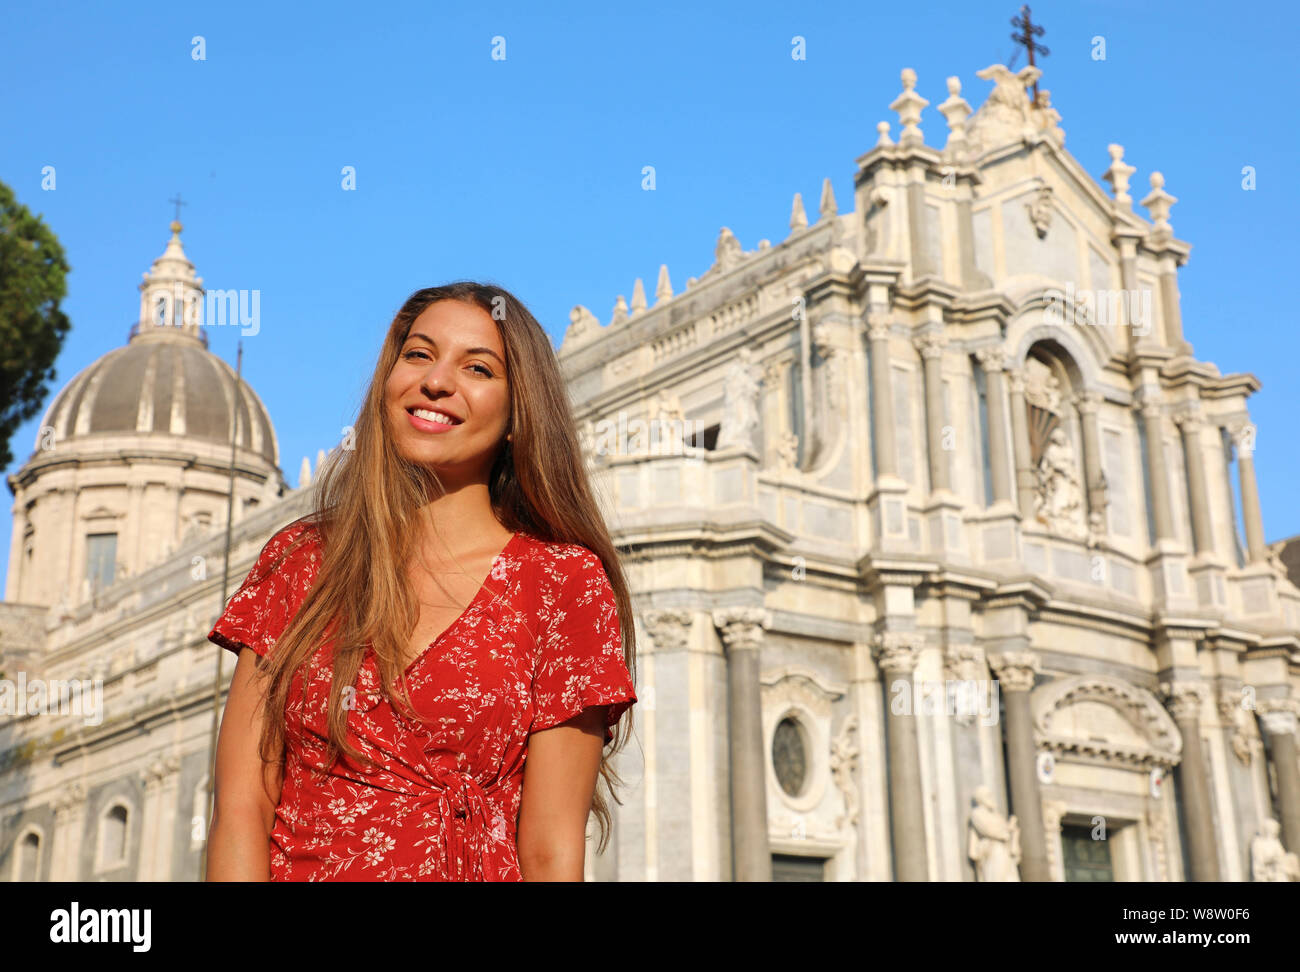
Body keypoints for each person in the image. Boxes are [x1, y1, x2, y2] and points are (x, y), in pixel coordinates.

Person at [205, 282, 637, 881]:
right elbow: (242, 805)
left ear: (519, 415)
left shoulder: (562, 585)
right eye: (417, 354)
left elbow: (551, 849)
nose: (436, 381)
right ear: (388, 381)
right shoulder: (303, 561)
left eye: (478, 367)